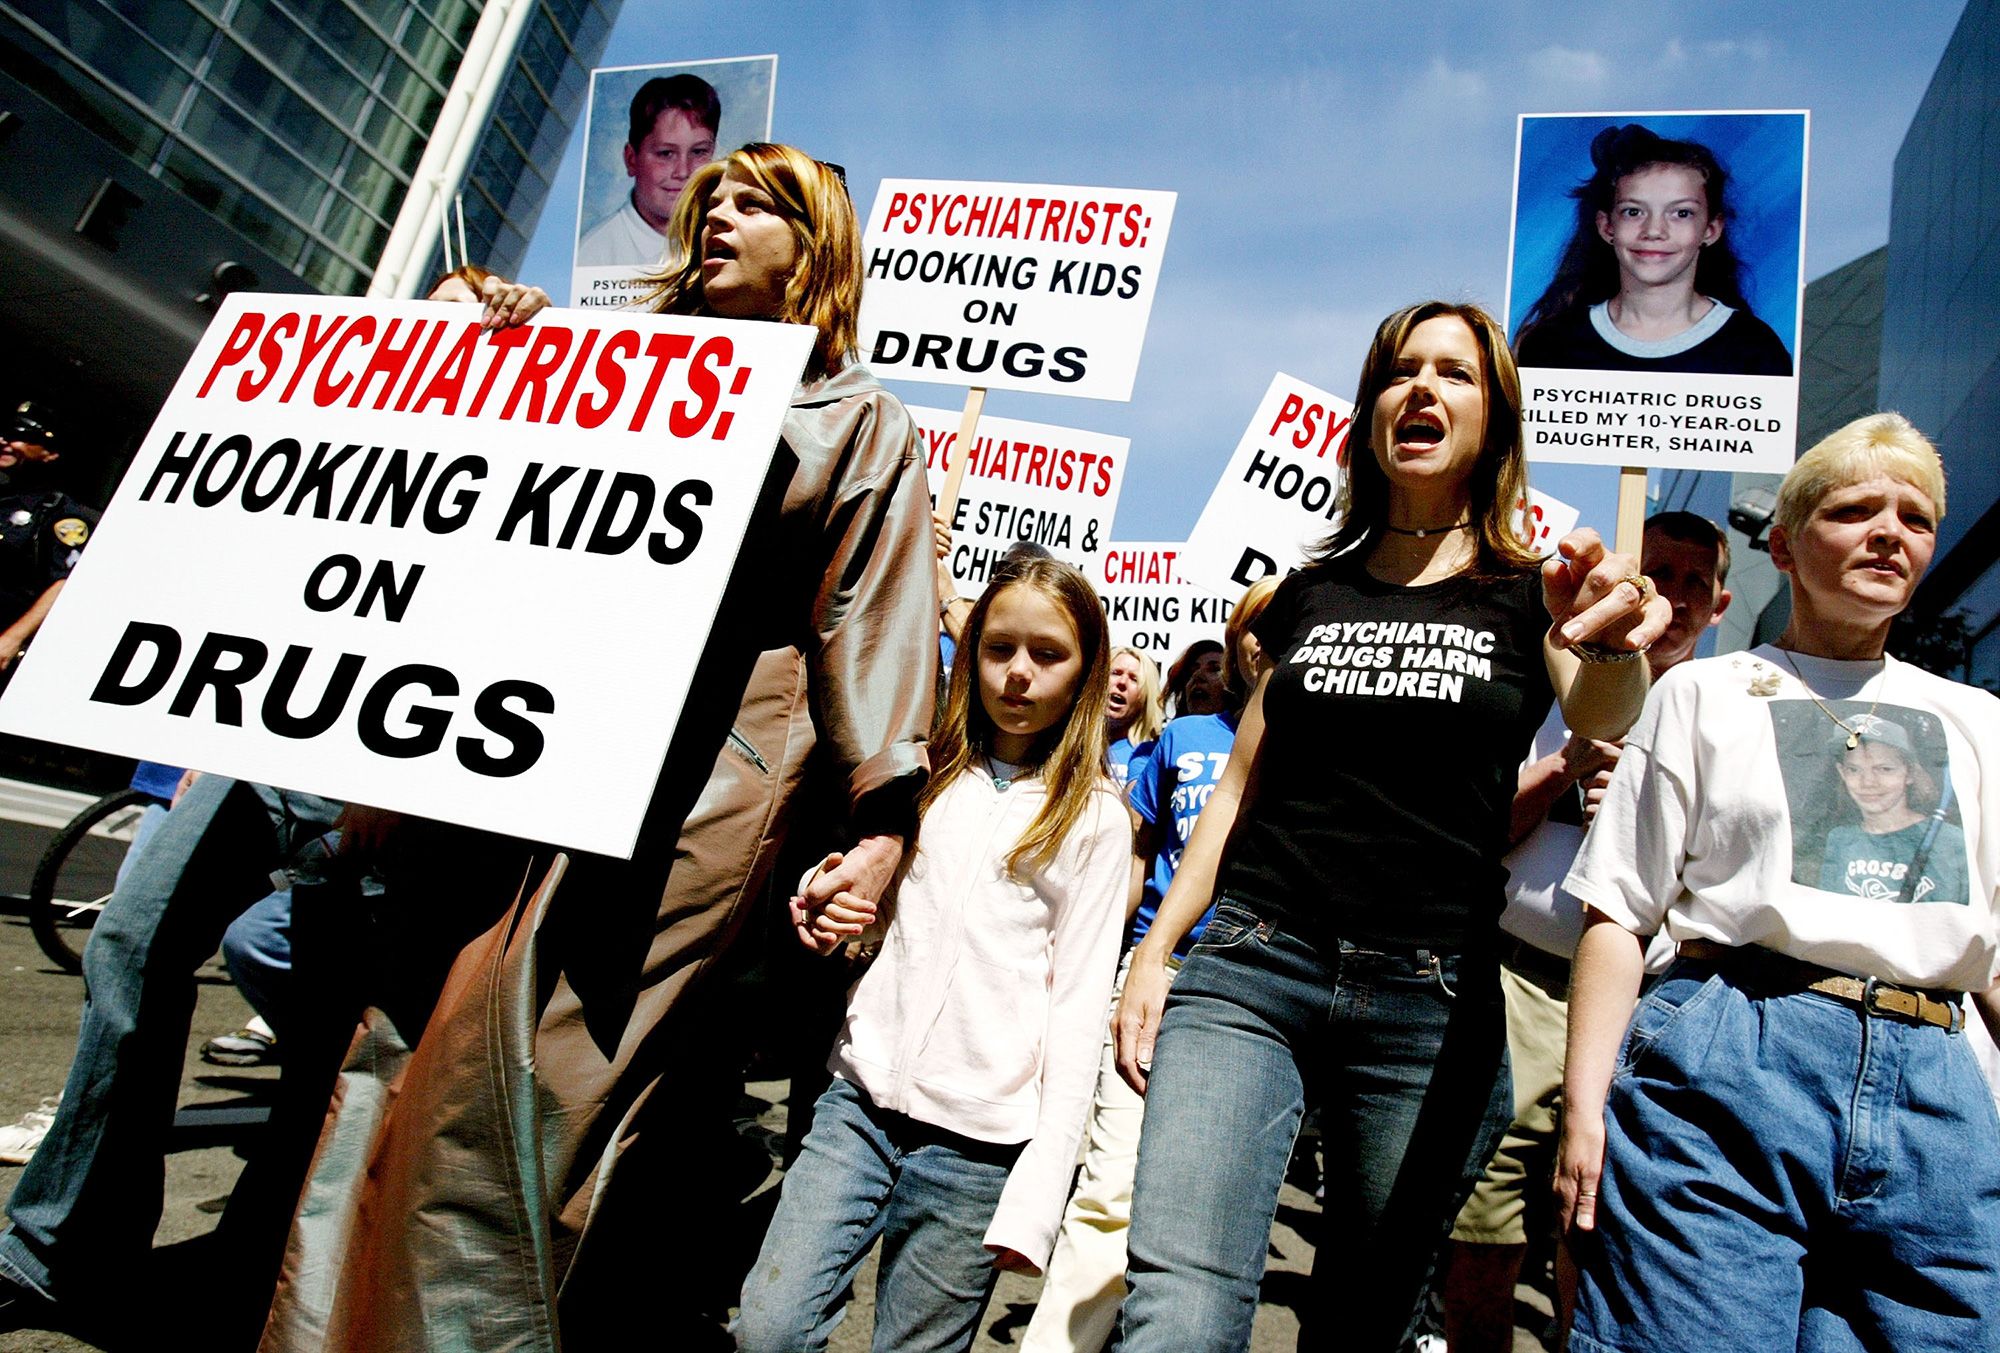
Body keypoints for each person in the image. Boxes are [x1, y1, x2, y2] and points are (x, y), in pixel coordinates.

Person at [263, 144, 939, 1352]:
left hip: (696, 798)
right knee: (401, 1047)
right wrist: (496, 345)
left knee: (523, 1094)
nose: (717, 214)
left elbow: (874, 625)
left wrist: (884, 825)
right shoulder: (600, 366)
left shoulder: (859, 421)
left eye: (756, 203)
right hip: (514, 763)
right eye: (710, 198)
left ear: (818, 244)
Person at [1110, 300, 1669, 1351]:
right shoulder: (1306, 595)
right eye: (1399, 372)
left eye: (1453, 374)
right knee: (1177, 1308)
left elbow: (1605, 713)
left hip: (1431, 998)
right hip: (1250, 965)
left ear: (1493, 422)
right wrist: (1155, 950)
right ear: (1368, 417)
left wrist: (1606, 643)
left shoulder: (1530, 593)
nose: (1421, 389)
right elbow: (1236, 791)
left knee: (1365, 1321)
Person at [1557, 412, 2000, 1352]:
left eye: (1916, 519)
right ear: (1789, 546)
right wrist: (1585, 1107)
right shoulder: (1701, 693)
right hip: (1734, 1049)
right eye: (1855, 509)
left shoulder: (1977, 720)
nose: (1891, 532)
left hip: (1937, 1094)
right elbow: (1618, 912)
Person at [736, 557, 1129, 1353]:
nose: (1018, 674)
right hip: (857, 1104)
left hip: (980, 1150)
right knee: (769, 1329)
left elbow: (1080, 1011)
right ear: (970, 650)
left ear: (1086, 670)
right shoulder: (918, 772)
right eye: (999, 648)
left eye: (1048, 655)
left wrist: (1040, 1190)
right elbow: (864, 890)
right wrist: (826, 894)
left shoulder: (1095, 820)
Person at [1442, 510, 1732, 1353]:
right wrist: (1566, 765)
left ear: (1717, 607)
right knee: (1482, 1230)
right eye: (1660, 572)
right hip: (1515, 986)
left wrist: (1648, 835)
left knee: (1596, 1227)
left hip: (1650, 1003)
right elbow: (1467, 834)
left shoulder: (1723, 712)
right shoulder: (1548, 690)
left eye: (1693, 582)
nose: (1671, 597)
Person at [1020, 576, 1277, 1353]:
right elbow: (1136, 852)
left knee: (1199, 1217)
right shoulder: (1186, 738)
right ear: (1236, 644)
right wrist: (1120, 957)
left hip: (1258, 988)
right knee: (1108, 1190)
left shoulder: (1324, 752)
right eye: (1254, 626)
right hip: (1157, 969)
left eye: (1287, 623)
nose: (1269, 640)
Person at [1514, 124, 1791, 377]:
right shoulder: (1550, 346)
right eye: (1633, 211)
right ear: (1607, 226)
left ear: (1711, 229)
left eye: (1681, 213)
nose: (1654, 230)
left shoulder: (1754, 351)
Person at [576, 73, 721, 268]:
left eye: (698, 152)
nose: (683, 172)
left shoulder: (724, 239)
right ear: (631, 159)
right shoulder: (594, 254)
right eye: (666, 153)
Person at [0, 401, 96, 675]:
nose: (7, 442)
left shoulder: (58, 514)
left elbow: (64, 582)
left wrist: (11, 639)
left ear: (50, 453)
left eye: (23, 437)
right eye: (6, 434)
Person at [1105, 645, 1165, 787]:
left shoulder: (1149, 756)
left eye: (1134, 679)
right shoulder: (1066, 745)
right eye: (1115, 673)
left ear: (1145, 698)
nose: (1122, 682)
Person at [1164, 638, 1226, 718]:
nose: (1197, 675)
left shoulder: (1242, 729)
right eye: (1192, 671)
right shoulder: (1174, 729)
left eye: (1215, 669)